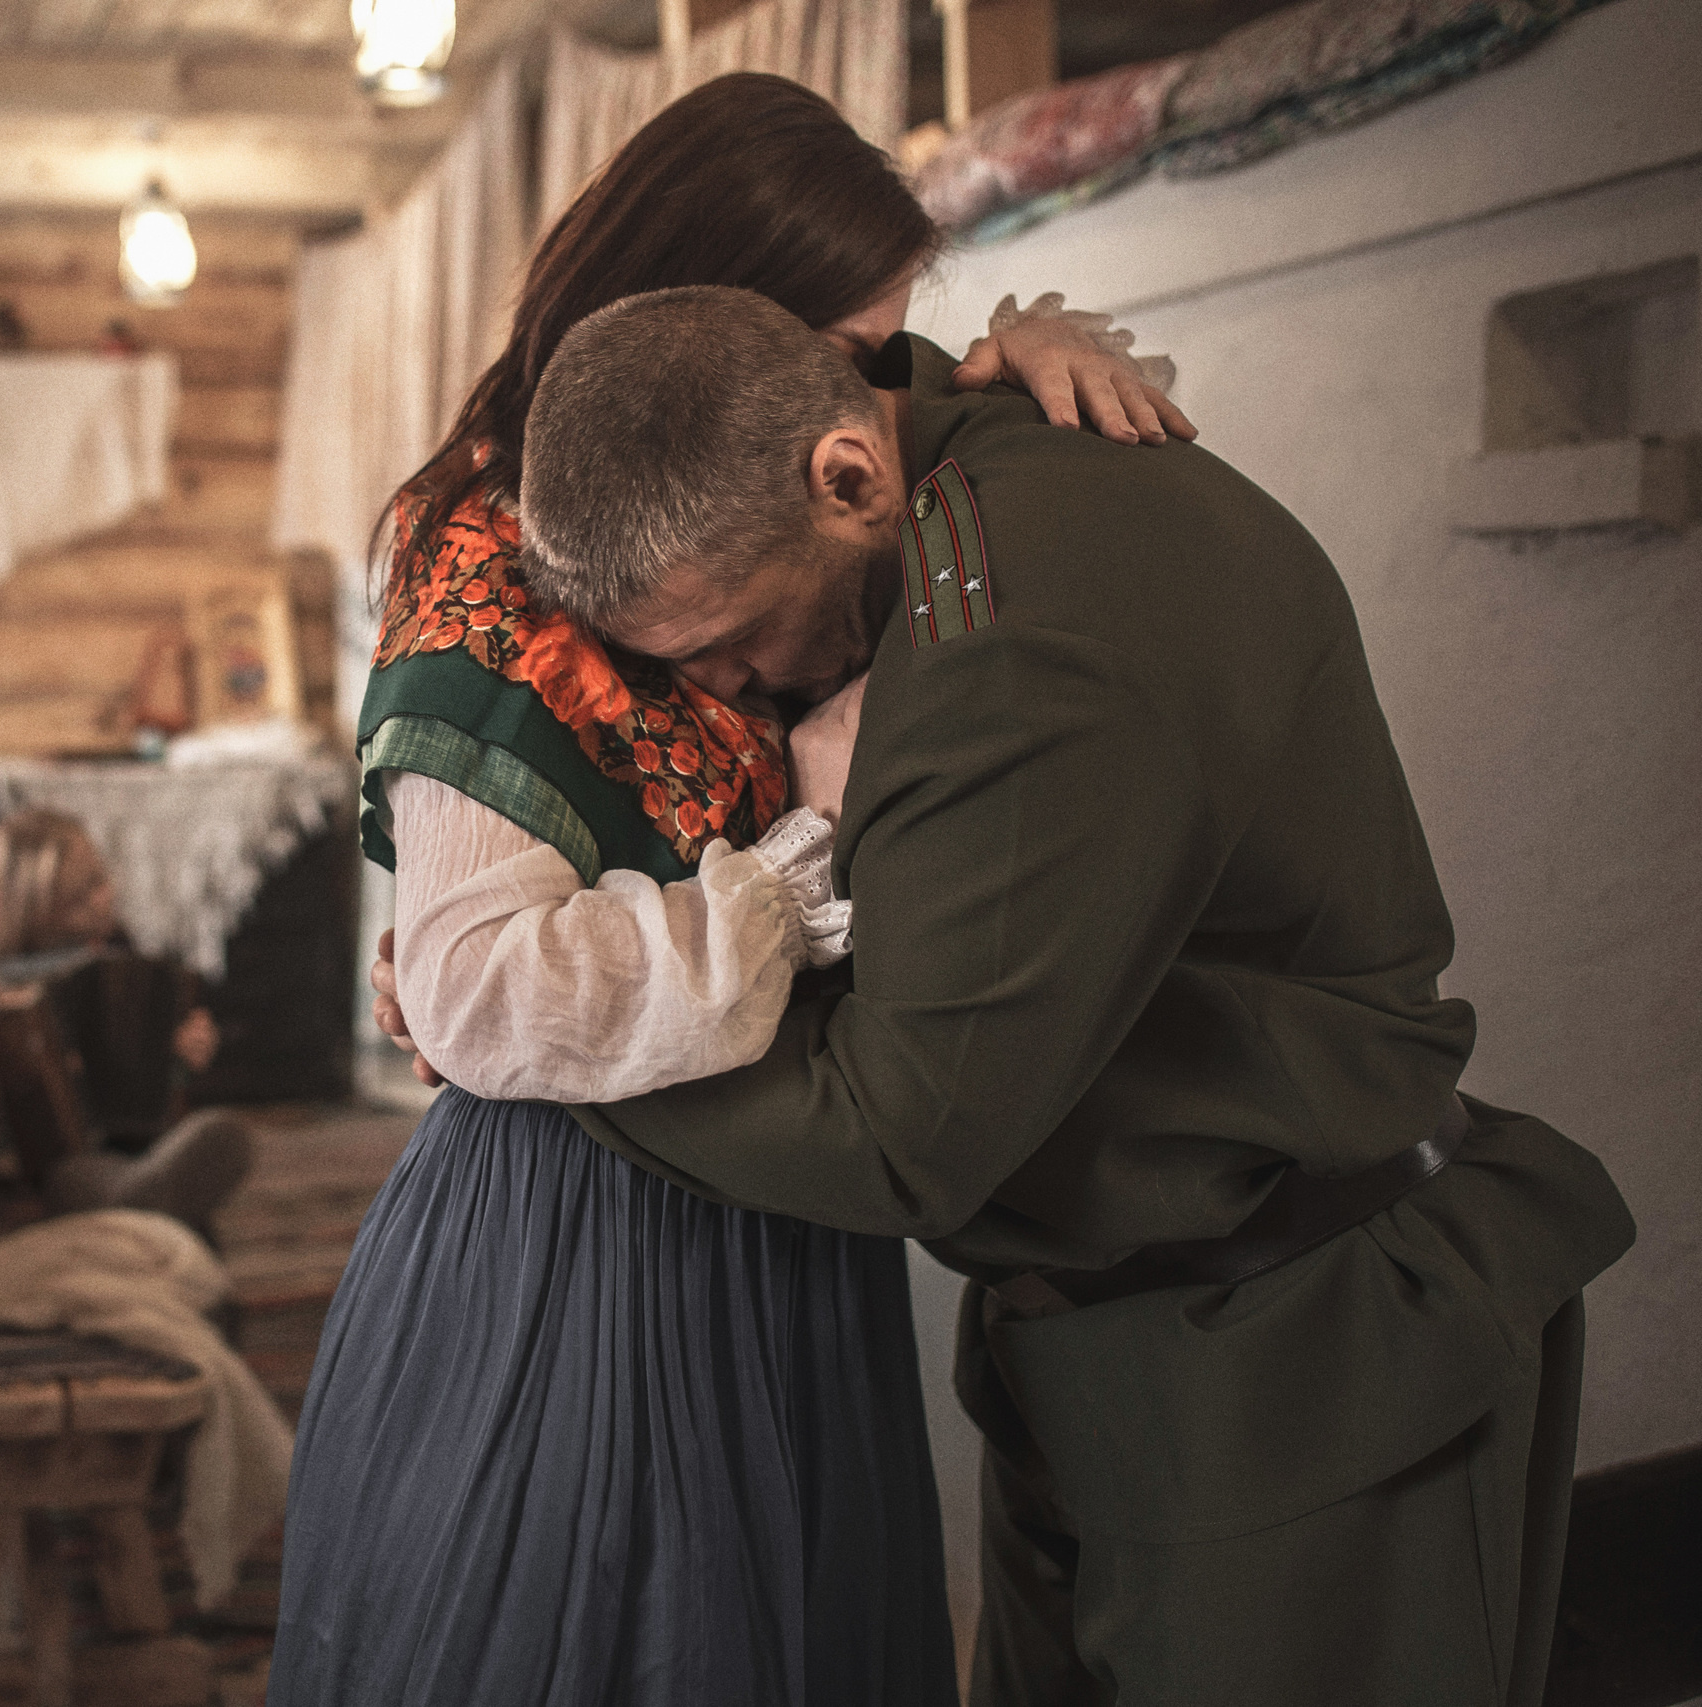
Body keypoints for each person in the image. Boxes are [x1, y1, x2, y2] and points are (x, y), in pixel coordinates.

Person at [436, 283, 1633, 1707]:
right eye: (680, 664)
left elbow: (903, 1129)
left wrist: (530, 1042)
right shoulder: (950, 454)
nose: (733, 688)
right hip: (1113, 1336)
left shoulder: (1007, 634)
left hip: (1302, 1367)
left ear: (847, 475)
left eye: (734, 636)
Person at [268, 73, 1191, 1707]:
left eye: (883, 350)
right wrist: (807, 855)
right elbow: (484, 990)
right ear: (685, 315)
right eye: (846, 347)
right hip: (582, 1251)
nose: (867, 393)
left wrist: (1030, 357)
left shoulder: (779, 458)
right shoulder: (497, 555)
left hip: (774, 1218)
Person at [0, 808, 247, 1237]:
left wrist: (189, 1045)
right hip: (24, 1153)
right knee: (69, 1175)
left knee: (140, 1160)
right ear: (28, 906)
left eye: (100, 882)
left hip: (119, 1135)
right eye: (78, 898)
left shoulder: (114, 944)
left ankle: (148, 1197)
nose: (102, 899)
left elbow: (158, 1037)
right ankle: (142, 1201)